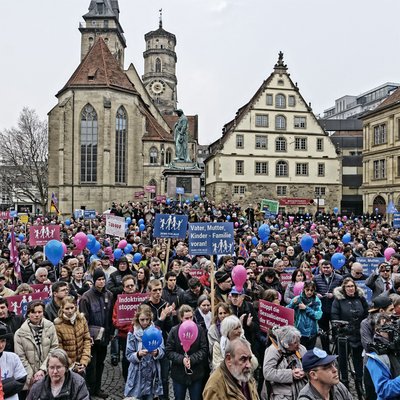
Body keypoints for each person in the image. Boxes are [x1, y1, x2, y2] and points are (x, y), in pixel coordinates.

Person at [79, 268, 113, 399]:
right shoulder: (86, 297)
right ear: (94, 281)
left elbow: (110, 316)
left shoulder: (109, 295)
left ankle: (97, 387)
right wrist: (87, 337)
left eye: (103, 279)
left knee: (101, 363)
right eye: (99, 279)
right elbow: (83, 320)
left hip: (104, 337)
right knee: (91, 365)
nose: (101, 282)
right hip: (91, 338)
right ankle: (89, 388)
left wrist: (110, 332)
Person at [14, 300, 59, 399]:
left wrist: (43, 370)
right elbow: (20, 356)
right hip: (30, 376)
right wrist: (32, 376)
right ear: (28, 313)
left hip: (49, 372)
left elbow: (54, 348)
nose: (37, 315)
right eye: (33, 312)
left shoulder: (50, 326)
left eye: (40, 312)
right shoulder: (19, 333)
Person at [331, 277, 368, 389]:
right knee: (342, 360)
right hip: (344, 335)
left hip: (358, 334)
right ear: (344, 288)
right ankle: (344, 381)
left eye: (352, 286)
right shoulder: (338, 300)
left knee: (358, 359)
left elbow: (366, 313)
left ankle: (359, 381)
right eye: (348, 286)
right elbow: (334, 316)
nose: (351, 288)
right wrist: (340, 329)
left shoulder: (361, 298)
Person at [165, 304, 208, 400]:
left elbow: (204, 349)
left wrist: (192, 359)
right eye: (186, 318)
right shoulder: (174, 331)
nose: (189, 320)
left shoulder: (199, 330)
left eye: (191, 317)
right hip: (179, 374)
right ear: (181, 318)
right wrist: (182, 359)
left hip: (196, 373)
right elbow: (169, 351)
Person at [124, 304, 164, 400]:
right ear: (138, 319)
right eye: (142, 320)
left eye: (147, 319)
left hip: (152, 372)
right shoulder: (132, 333)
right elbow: (128, 354)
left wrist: (157, 352)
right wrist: (138, 354)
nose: (145, 322)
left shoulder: (156, 332)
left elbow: (162, 351)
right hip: (137, 373)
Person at [263, 325, 307, 399]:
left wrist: (305, 372)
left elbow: (310, 365)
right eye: (295, 343)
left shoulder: (301, 349)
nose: (299, 345)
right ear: (286, 345)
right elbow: (267, 372)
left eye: (299, 341)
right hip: (282, 394)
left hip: (301, 390)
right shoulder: (273, 351)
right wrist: (290, 374)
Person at [365, 312, 400, 400]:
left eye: (394, 327)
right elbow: (383, 390)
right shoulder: (376, 357)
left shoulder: (395, 348)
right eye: (388, 329)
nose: (393, 332)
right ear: (378, 331)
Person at [54, 296, 91, 375]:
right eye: (67, 309)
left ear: (75, 307)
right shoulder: (58, 325)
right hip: (67, 366)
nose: (70, 311)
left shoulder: (81, 319)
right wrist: (72, 365)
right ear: (62, 309)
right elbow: (59, 348)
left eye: (72, 308)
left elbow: (87, 339)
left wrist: (84, 361)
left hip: (82, 362)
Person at [314, 260, 343, 353]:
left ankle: (337, 351)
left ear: (332, 268)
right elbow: (312, 290)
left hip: (335, 308)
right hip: (322, 308)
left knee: (336, 331)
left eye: (328, 268)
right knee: (324, 331)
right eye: (324, 268)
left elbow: (342, 291)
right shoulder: (316, 278)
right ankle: (326, 351)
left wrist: (333, 295)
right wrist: (316, 294)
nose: (326, 270)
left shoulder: (339, 278)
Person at [112, 274, 137, 381]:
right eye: (128, 286)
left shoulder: (140, 299)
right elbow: (116, 321)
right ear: (123, 287)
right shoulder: (119, 301)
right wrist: (129, 326)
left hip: (139, 335)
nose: (130, 288)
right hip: (125, 336)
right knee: (127, 359)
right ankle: (127, 380)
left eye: (132, 285)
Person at [287, 280, 322, 349]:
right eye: (307, 290)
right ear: (303, 289)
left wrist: (306, 308)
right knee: (300, 353)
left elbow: (318, 315)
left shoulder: (316, 300)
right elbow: (287, 311)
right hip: (300, 332)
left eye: (312, 290)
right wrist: (292, 304)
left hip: (312, 332)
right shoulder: (297, 299)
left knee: (310, 354)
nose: (309, 292)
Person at [0, 322, 26, 400]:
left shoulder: (13, 357)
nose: (1, 345)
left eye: (3, 341)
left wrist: (2, 390)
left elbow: (21, 380)